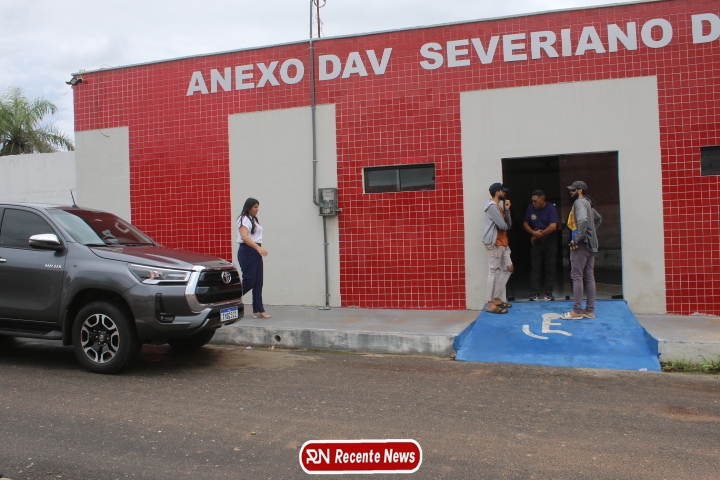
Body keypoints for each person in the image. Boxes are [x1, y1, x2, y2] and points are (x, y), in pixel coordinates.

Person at [561, 181, 602, 320]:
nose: (570, 192)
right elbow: (598, 219)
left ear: (580, 191)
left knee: (577, 276)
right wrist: (591, 233)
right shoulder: (588, 203)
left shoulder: (579, 203)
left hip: (581, 245)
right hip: (591, 245)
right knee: (589, 276)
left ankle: (577, 310)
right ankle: (589, 310)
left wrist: (578, 238)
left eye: (573, 190)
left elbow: (583, 219)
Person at [483, 182, 514, 314]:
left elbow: (508, 225)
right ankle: (490, 304)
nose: (504, 193)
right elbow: (503, 226)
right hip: (495, 243)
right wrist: (505, 223)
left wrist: (507, 210)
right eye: (502, 191)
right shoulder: (492, 207)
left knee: (508, 268)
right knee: (493, 271)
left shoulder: (499, 207)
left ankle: (497, 299)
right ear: (497, 193)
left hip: (503, 242)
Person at [523, 190, 559, 301]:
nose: (533, 203)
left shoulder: (551, 208)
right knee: (535, 267)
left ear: (542, 199)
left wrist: (540, 234)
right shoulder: (530, 208)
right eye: (532, 201)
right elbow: (525, 223)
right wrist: (534, 233)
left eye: (535, 201)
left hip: (549, 240)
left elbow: (553, 226)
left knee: (550, 267)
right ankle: (534, 293)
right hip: (536, 241)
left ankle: (548, 293)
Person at [237, 197, 270, 319]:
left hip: (255, 252)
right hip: (247, 251)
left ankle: (259, 310)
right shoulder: (243, 219)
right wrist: (258, 248)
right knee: (249, 281)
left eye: (258, 207)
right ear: (248, 208)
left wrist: (258, 249)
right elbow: (244, 237)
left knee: (258, 282)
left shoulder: (253, 220)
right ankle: (230, 297)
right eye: (255, 207)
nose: (257, 209)